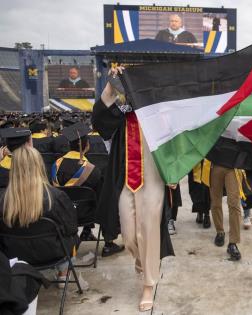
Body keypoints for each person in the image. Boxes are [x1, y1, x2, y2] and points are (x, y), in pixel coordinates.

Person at [91, 67, 174, 312]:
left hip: (153, 180)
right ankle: (140, 258)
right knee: (128, 234)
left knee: (149, 230)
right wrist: (111, 84)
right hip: (126, 180)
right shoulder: (121, 116)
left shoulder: (160, 115)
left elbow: (175, 144)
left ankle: (149, 284)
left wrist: (173, 173)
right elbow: (98, 119)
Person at [0, 130, 78, 283]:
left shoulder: (3, 199)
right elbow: (71, 229)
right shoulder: (55, 196)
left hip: (14, 255)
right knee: (71, 237)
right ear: (39, 166)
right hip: (52, 253)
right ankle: (63, 274)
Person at [51, 122, 102, 242]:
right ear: (87, 145)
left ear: (69, 144)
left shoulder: (56, 165)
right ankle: (88, 231)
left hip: (60, 212)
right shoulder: (93, 170)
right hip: (85, 215)